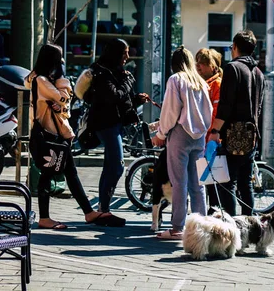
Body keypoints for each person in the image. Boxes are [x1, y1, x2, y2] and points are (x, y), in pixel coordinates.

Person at [25, 44, 119, 229]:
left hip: (56, 135)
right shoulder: (42, 81)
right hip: (49, 134)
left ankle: (88, 212)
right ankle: (46, 218)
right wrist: (62, 79)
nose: (62, 62)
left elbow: (63, 106)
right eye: (59, 58)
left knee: (69, 173)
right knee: (48, 174)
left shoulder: (43, 80)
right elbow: (63, 98)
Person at [152, 46, 213, 240]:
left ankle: (177, 227)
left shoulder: (175, 79)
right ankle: (201, 226)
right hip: (200, 137)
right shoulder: (200, 82)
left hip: (180, 134)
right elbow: (209, 111)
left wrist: (161, 134)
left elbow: (170, 111)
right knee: (198, 183)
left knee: (179, 182)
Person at [87, 38, 149, 226]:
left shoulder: (114, 71)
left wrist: (136, 100)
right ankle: (103, 211)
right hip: (106, 125)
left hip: (113, 124)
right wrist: (128, 82)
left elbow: (121, 99)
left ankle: (102, 210)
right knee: (116, 166)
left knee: (110, 166)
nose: (127, 57)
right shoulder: (102, 72)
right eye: (124, 53)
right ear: (115, 53)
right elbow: (113, 96)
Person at [208, 30, 264, 216]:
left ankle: (232, 226)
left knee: (227, 182)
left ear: (235, 47)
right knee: (245, 183)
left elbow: (226, 104)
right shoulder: (258, 72)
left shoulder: (232, 68)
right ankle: (248, 226)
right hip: (251, 133)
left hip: (232, 132)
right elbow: (259, 107)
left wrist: (216, 130)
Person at [195, 48, 223, 211]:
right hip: (204, 137)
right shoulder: (207, 83)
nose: (199, 66)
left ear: (212, 66)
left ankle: (213, 213)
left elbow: (215, 114)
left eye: (203, 63)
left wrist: (210, 134)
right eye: (197, 62)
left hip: (210, 140)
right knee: (206, 181)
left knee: (211, 182)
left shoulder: (216, 84)